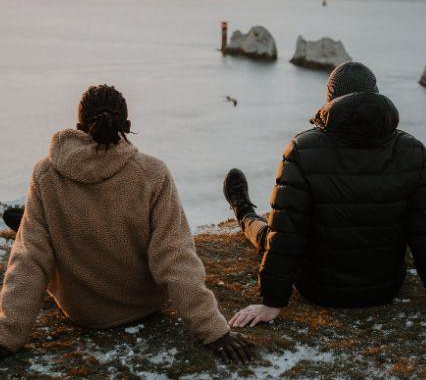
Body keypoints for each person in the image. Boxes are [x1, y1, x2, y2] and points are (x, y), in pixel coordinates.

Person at [223, 62, 426, 327]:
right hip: (384, 288)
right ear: (375, 96)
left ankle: (243, 210)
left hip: (318, 288)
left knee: (270, 233)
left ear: (330, 101)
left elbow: (287, 234)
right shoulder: (413, 150)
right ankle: (244, 209)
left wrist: (272, 302)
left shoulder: (301, 149)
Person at [0, 85, 253, 364]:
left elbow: (29, 261)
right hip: (142, 305)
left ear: (78, 128)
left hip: (81, 311)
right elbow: (175, 260)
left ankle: (32, 217)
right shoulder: (153, 174)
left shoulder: (45, 174)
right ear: (128, 126)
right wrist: (214, 331)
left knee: (37, 236)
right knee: (175, 240)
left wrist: (7, 335)